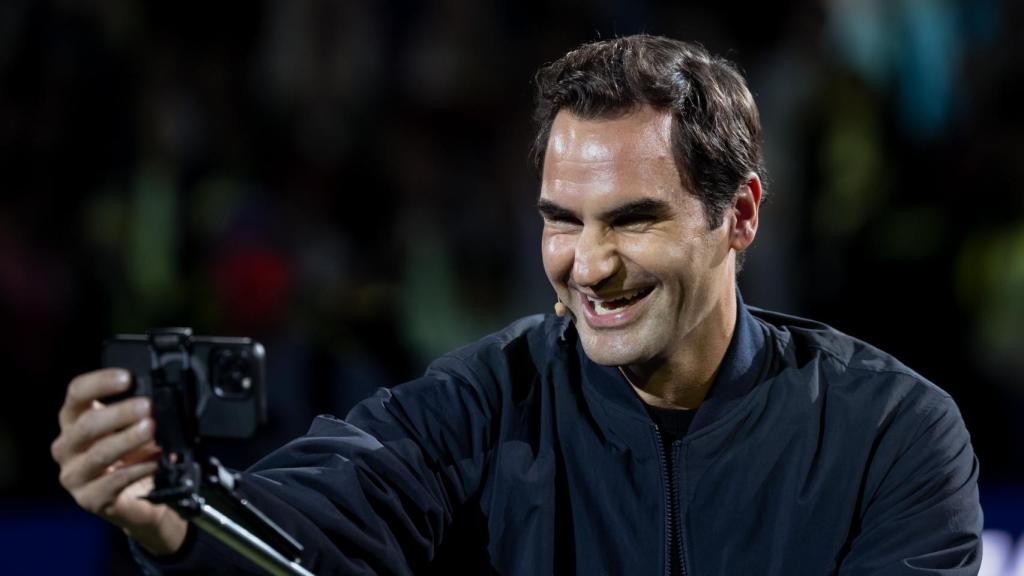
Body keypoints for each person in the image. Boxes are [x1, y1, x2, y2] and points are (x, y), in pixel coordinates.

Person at [51, 35, 982, 575]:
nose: (589, 265)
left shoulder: (891, 434)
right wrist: (169, 519)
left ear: (737, 215)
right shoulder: (479, 405)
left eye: (633, 221)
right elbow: (313, 525)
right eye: (561, 222)